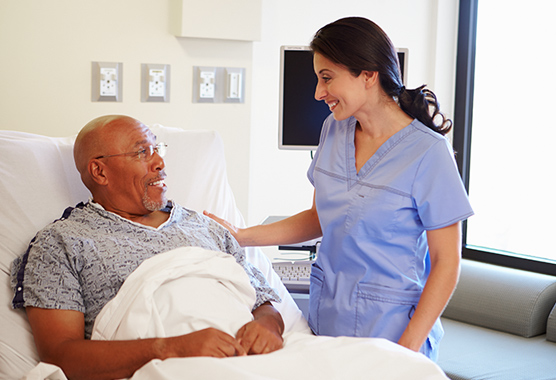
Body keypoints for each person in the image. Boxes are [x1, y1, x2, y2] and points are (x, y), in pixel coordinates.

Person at [205, 17, 473, 361]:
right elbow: (320, 217)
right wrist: (243, 235)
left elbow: (446, 264)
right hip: (328, 323)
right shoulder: (334, 130)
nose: (318, 93)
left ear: (368, 74)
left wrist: (407, 352)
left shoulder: (427, 152)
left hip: (392, 332)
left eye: (327, 78)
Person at [10, 115, 284, 380]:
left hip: (253, 359)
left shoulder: (204, 226)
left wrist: (268, 326)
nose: (160, 162)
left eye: (158, 149)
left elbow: (262, 300)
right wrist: (171, 349)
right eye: (142, 152)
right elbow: (61, 356)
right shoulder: (62, 242)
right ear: (100, 171)